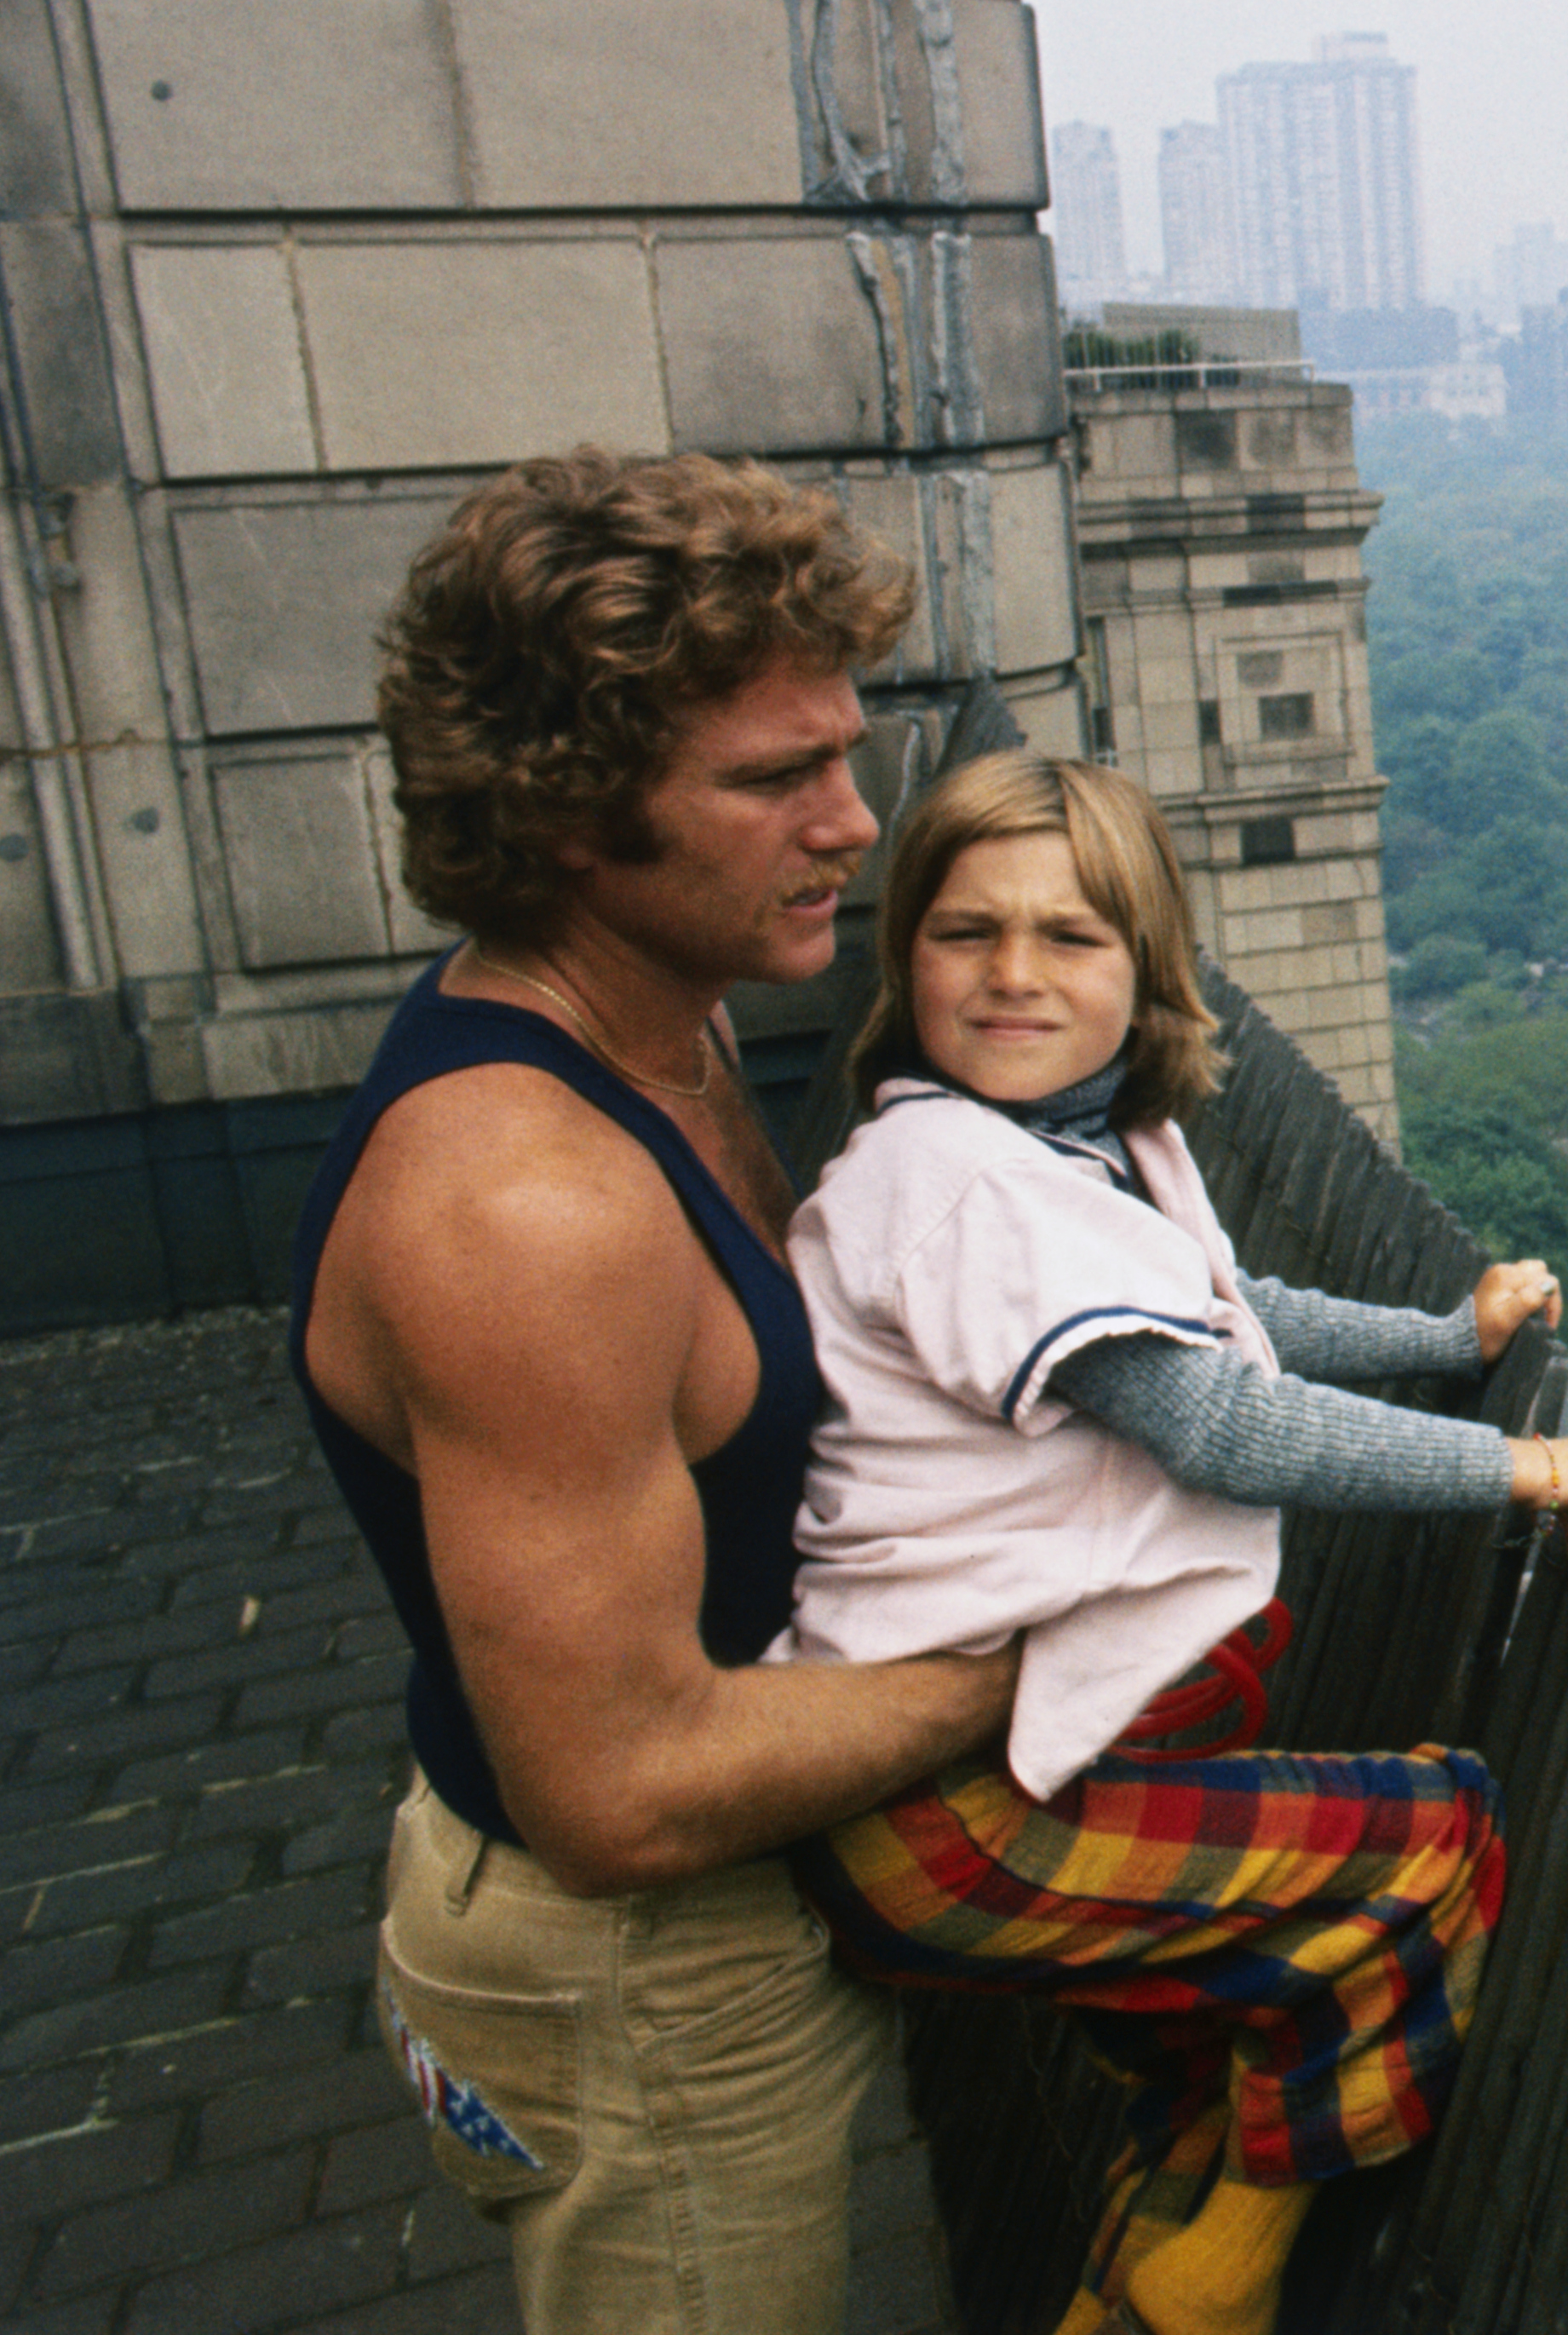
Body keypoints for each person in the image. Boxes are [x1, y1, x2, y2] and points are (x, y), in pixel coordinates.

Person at [777, 750, 1568, 2335]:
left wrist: (1432, 1337)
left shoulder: (1080, 1150)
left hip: (1007, 1780)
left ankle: (1142, 2298)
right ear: (901, 959)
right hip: (955, 1810)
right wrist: (1532, 1466)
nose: (1013, 975)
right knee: (1429, 1843)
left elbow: (1231, 1324)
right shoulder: (954, 1186)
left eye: (1069, 937)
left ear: (1148, 972)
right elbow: (1217, 1420)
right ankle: (1223, 2280)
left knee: (1212, 2064)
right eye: (964, 933)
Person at [292, 448, 1022, 2333]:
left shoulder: (665, 1016)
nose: (856, 826)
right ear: (562, 819)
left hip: (705, 1935)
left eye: (843, 755)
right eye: (776, 780)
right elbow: (615, 1791)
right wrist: (1055, 1649)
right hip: (640, 1982)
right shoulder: (528, 1209)